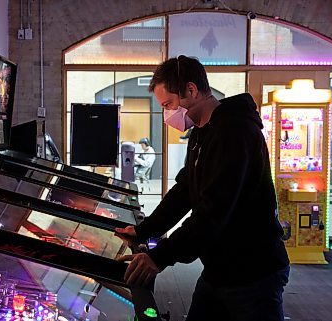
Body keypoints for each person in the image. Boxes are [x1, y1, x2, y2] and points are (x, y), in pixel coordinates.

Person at [115, 55, 290, 321]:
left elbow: (213, 211)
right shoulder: (201, 132)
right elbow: (185, 190)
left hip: (253, 271)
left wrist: (160, 257)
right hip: (220, 268)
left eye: (169, 104)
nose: (167, 115)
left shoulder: (235, 131)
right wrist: (144, 230)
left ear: (191, 90)